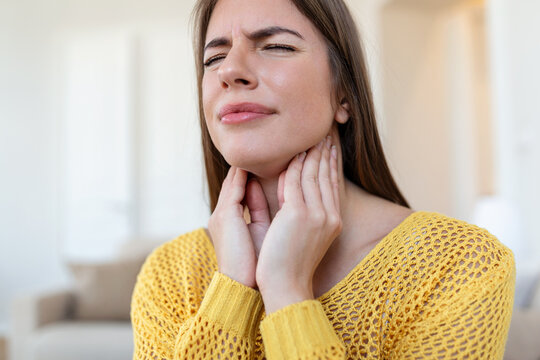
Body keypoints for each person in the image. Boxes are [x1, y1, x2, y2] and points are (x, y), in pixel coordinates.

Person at [131, 0, 516, 358]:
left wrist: (286, 289)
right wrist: (232, 286)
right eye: (214, 57)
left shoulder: (460, 264)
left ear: (344, 94)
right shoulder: (169, 273)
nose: (229, 71)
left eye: (276, 46)